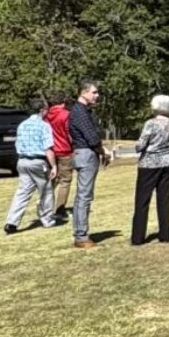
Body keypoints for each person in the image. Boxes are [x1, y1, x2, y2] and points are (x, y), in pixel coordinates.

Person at [130, 94, 169, 246]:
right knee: (164, 199)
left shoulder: (150, 124)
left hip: (149, 164)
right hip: (167, 163)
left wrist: (138, 146)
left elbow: (140, 145)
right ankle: (164, 234)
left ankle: (138, 237)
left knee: (142, 201)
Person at [67, 80, 110, 251]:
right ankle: (81, 236)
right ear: (83, 93)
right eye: (94, 92)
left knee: (84, 196)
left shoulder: (82, 111)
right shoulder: (80, 112)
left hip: (84, 153)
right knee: (84, 196)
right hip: (85, 154)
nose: (97, 95)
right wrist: (103, 151)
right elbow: (92, 138)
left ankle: (81, 234)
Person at [4, 102, 57, 233]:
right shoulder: (44, 126)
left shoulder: (22, 125)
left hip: (22, 161)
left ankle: (11, 222)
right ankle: (47, 219)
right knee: (46, 191)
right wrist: (54, 165)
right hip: (38, 162)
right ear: (42, 110)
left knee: (22, 193)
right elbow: (48, 148)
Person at [43, 93, 75, 224]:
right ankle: (60, 210)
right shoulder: (66, 114)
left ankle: (45, 206)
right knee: (65, 181)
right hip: (64, 150)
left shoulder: (46, 116)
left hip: (50, 150)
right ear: (63, 102)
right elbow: (69, 133)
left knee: (51, 180)